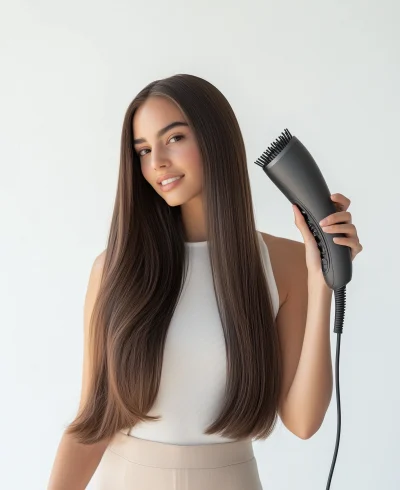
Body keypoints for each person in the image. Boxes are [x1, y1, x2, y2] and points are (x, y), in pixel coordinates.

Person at [46, 74, 363, 490]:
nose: (156, 161)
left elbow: (303, 422)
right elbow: (91, 423)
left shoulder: (284, 264)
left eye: (173, 138)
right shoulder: (113, 270)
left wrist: (321, 278)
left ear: (216, 139)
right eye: (143, 150)